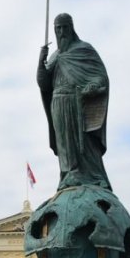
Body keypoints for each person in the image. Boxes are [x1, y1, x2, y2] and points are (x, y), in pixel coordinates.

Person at [37, 13, 111, 191]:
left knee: (84, 144)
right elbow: (44, 83)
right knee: (65, 144)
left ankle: (93, 176)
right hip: (58, 104)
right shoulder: (55, 56)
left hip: (78, 103)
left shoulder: (84, 49)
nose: (62, 32)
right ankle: (69, 175)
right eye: (58, 28)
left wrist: (93, 86)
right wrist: (41, 62)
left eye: (65, 27)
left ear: (71, 28)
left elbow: (101, 77)